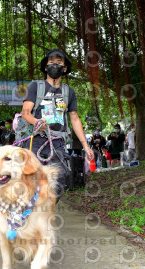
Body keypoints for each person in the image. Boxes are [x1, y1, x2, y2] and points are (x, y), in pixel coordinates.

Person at [20, 48, 94, 201]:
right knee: (31, 179)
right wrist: (36, 122)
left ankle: (47, 211)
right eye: (51, 62)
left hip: (57, 143)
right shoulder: (36, 86)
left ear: (65, 68)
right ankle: (28, 215)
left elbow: (74, 119)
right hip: (35, 140)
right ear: (46, 67)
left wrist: (85, 146)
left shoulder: (69, 92)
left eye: (59, 62)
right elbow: (25, 112)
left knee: (59, 180)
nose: (55, 65)